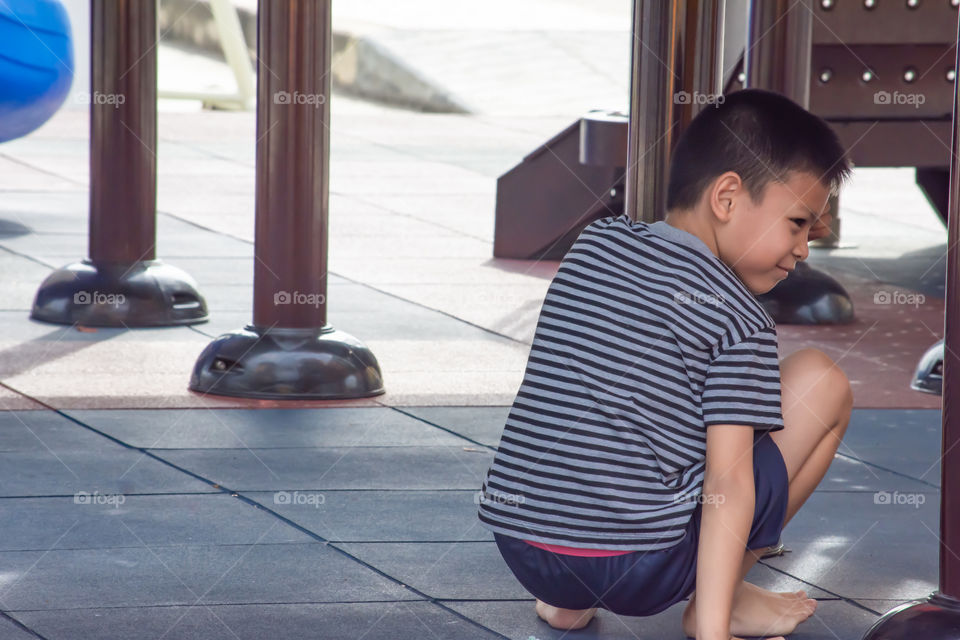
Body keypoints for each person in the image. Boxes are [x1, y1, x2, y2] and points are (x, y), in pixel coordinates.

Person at [476, 88, 855, 640]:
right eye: (797, 224)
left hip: (523, 545)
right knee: (822, 382)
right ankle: (716, 605)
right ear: (726, 197)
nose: (802, 250)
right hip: (637, 567)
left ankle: (566, 605)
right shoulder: (736, 316)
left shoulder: (592, 247)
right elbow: (729, 481)